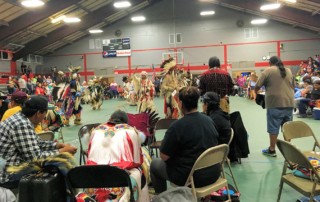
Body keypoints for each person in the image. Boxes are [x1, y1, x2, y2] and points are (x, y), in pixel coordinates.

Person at [150, 86, 220, 194]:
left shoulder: (177, 126)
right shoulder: (209, 120)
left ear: (180, 104)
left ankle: (161, 197)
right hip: (214, 173)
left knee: (155, 164)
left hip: (191, 178)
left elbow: (163, 156)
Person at [0, 96, 77, 189]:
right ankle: (72, 194)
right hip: (8, 175)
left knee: (60, 159)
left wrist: (57, 145)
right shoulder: (21, 124)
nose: (45, 117)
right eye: (45, 113)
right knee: (62, 162)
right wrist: (62, 151)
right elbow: (35, 158)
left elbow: (36, 143)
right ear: (38, 113)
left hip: (11, 166)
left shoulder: (20, 118)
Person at [86, 110, 149, 201]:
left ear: (110, 119)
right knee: (140, 171)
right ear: (126, 122)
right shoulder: (130, 131)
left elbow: (88, 155)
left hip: (92, 176)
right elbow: (138, 161)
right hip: (118, 178)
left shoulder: (96, 130)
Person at [254, 56, 294, 157]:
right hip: (289, 102)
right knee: (287, 128)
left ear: (270, 63)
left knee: (273, 127)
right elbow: (292, 86)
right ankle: (288, 151)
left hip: (275, 103)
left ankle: (272, 150)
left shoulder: (268, 71)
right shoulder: (288, 70)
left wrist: (256, 93)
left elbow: (258, 85)